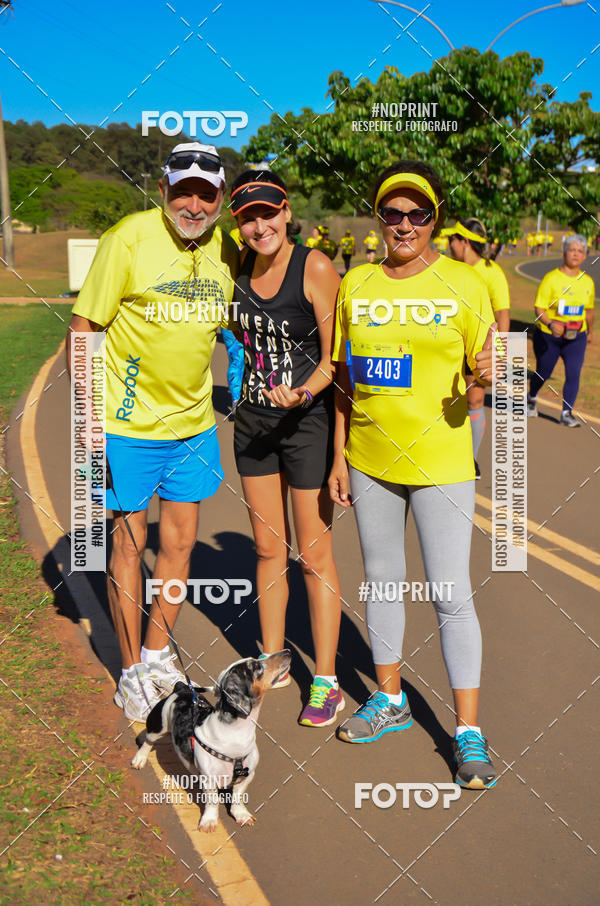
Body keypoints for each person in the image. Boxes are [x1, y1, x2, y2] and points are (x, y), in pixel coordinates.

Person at [329, 160, 498, 790]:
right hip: (371, 460)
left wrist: (490, 371)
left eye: (418, 213)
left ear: (435, 218)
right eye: (393, 213)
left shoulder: (467, 282)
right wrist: (339, 456)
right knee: (381, 583)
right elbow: (345, 380)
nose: (405, 224)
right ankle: (391, 700)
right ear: (380, 218)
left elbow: (491, 373)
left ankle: (469, 732)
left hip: (444, 463)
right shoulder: (357, 284)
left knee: (451, 593)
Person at [66, 142, 238, 721]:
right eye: (183, 190)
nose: (193, 203)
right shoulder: (129, 238)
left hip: (193, 425)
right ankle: (132, 673)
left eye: (206, 193)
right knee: (128, 543)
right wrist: (87, 421)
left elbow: (234, 324)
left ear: (220, 198)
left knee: (181, 543)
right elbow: (85, 326)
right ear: (163, 189)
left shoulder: (227, 249)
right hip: (124, 424)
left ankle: (158, 651)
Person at [227, 169, 344, 728]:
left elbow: (335, 357)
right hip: (251, 422)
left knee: (313, 555)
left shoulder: (314, 266)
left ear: (286, 210)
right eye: (248, 217)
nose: (259, 225)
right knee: (269, 550)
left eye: (267, 212)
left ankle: (326, 680)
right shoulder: (236, 270)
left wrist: (304, 392)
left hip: (305, 424)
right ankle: (273, 661)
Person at [444, 218, 510, 471]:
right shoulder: (449, 269)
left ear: (465, 242)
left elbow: (503, 314)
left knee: (474, 401)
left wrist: (499, 353)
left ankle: (469, 460)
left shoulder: (491, 272)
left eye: (453, 240)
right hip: (449, 345)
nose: (449, 244)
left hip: (477, 348)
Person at [527, 233, 595, 427]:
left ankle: (566, 413)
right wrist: (550, 324)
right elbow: (539, 309)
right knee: (544, 372)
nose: (575, 254)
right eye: (571, 250)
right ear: (564, 252)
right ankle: (531, 397)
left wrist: (590, 332)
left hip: (576, 336)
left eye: (580, 251)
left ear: (585, 256)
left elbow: (589, 311)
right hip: (549, 336)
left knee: (573, 373)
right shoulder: (551, 279)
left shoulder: (588, 282)